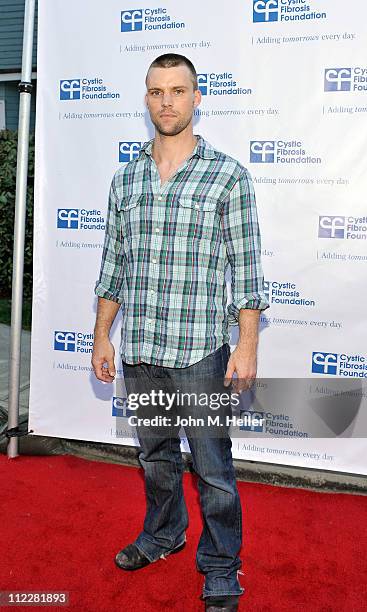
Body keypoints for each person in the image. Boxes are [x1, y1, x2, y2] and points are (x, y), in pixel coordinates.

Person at [92, 53, 269, 612]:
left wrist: (247, 346)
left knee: (213, 469)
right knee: (156, 459)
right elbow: (113, 266)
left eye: (178, 90)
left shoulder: (228, 176)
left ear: (198, 97)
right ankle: (164, 534)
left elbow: (246, 270)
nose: (167, 101)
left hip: (200, 350)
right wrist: (102, 336)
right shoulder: (126, 179)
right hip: (141, 345)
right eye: (156, 91)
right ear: (146, 100)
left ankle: (221, 565)